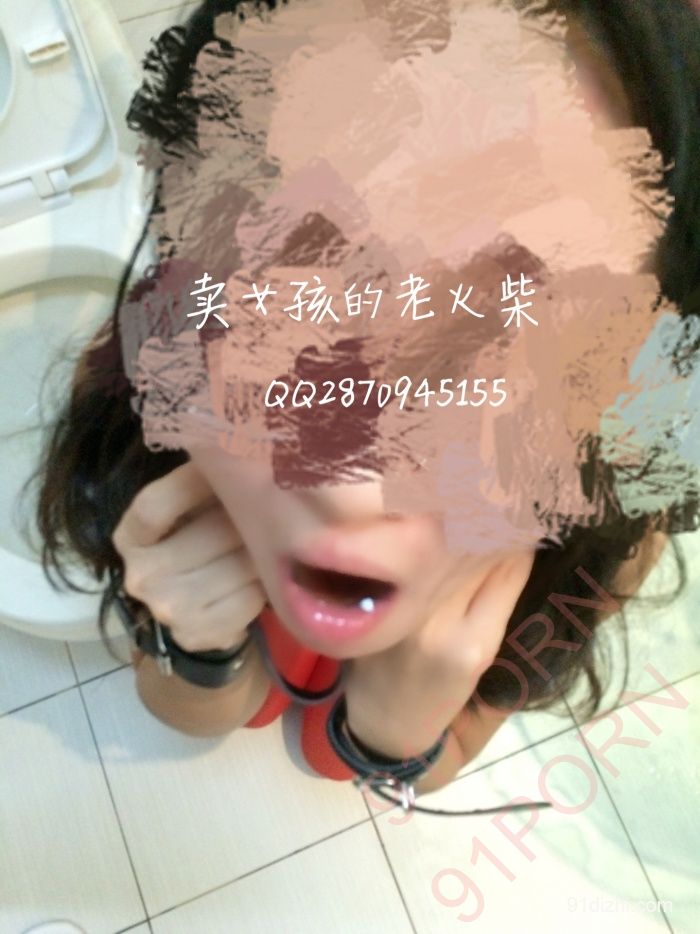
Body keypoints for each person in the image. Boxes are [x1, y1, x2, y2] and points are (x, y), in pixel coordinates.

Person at [31, 0, 699, 802]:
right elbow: (195, 712)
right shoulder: (152, 384)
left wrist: (394, 732)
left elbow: (388, 761)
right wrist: (196, 649)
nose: (348, 491)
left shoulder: (610, 531)